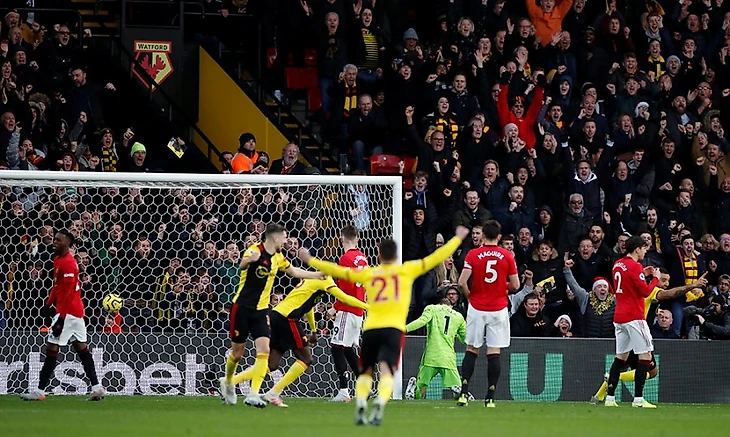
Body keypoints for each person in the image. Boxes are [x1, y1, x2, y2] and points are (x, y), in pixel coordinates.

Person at [298, 225, 470, 426]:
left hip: (371, 328)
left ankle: (361, 402)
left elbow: (338, 271)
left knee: (366, 371)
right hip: (393, 329)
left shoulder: (370, 273)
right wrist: (457, 239)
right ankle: (380, 402)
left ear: (379, 255)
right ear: (396, 255)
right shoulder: (407, 270)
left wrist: (310, 259)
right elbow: (435, 257)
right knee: (387, 371)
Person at [218, 223, 325, 408]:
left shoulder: (279, 257)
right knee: (237, 354)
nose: (286, 241)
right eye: (284, 238)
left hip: (261, 311)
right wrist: (250, 260)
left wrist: (316, 275)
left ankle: (253, 394)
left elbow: (293, 272)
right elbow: (242, 265)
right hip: (242, 308)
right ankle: (228, 382)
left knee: (264, 350)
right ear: (275, 237)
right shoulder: (255, 250)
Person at [229, 277, 368, 407]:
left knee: (272, 364)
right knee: (306, 359)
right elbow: (345, 298)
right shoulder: (326, 280)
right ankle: (273, 393)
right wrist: (368, 307)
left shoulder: (311, 280)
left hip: (276, 315)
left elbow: (309, 307)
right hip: (288, 318)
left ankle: (230, 381)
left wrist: (313, 330)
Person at [591, 270, 707, 403]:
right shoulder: (650, 291)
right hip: (638, 333)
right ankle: (631, 393)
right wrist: (693, 285)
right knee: (651, 372)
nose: (666, 284)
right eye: (663, 280)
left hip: (626, 329)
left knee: (621, 365)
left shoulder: (635, 290)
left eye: (668, 280)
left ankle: (598, 396)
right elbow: (671, 293)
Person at [20, 230, 105, 401]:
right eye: (54, 239)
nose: (54, 242)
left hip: (69, 313)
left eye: (58, 240)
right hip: (75, 312)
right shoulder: (57, 260)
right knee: (82, 349)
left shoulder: (69, 264)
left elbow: (68, 293)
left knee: (52, 348)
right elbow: (57, 286)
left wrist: (61, 318)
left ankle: (39, 391)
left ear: (67, 244)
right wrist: (48, 303)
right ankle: (97, 388)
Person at [456, 220, 520, 407]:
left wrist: (470, 297)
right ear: (499, 237)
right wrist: (502, 286)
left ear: (483, 235)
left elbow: (461, 282)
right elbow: (516, 285)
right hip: (498, 309)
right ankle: (490, 397)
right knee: (494, 351)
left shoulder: (473, 254)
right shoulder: (507, 255)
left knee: (471, 349)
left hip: (477, 307)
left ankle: (464, 393)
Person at [605, 236, 659, 408]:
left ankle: (610, 399)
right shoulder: (635, 266)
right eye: (644, 249)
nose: (645, 252)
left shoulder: (618, 264)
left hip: (619, 317)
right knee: (645, 356)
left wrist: (644, 274)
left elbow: (627, 282)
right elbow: (645, 292)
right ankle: (638, 400)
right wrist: (655, 279)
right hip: (634, 316)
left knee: (620, 358)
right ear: (637, 249)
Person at [404, 284, 466, 400]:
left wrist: (404, 329)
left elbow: (421, 321)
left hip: (431, 357)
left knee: (421, 387)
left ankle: (414, 392)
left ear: (439, 304)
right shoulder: (458, 317)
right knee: (458, 390)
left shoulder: (432, 309)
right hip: (448, 359)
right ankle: (460, 393)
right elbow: (465, 339)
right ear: (450, 307)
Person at [330, 225, 369, 402]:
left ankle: (344, 391)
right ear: (357, 240)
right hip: (359, 311)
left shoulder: (345, 259)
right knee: (346, 349)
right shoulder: (363, 258)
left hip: (347, 309)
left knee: (336, 347)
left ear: (341, 239)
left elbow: (345, 289)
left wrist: (335, 307)